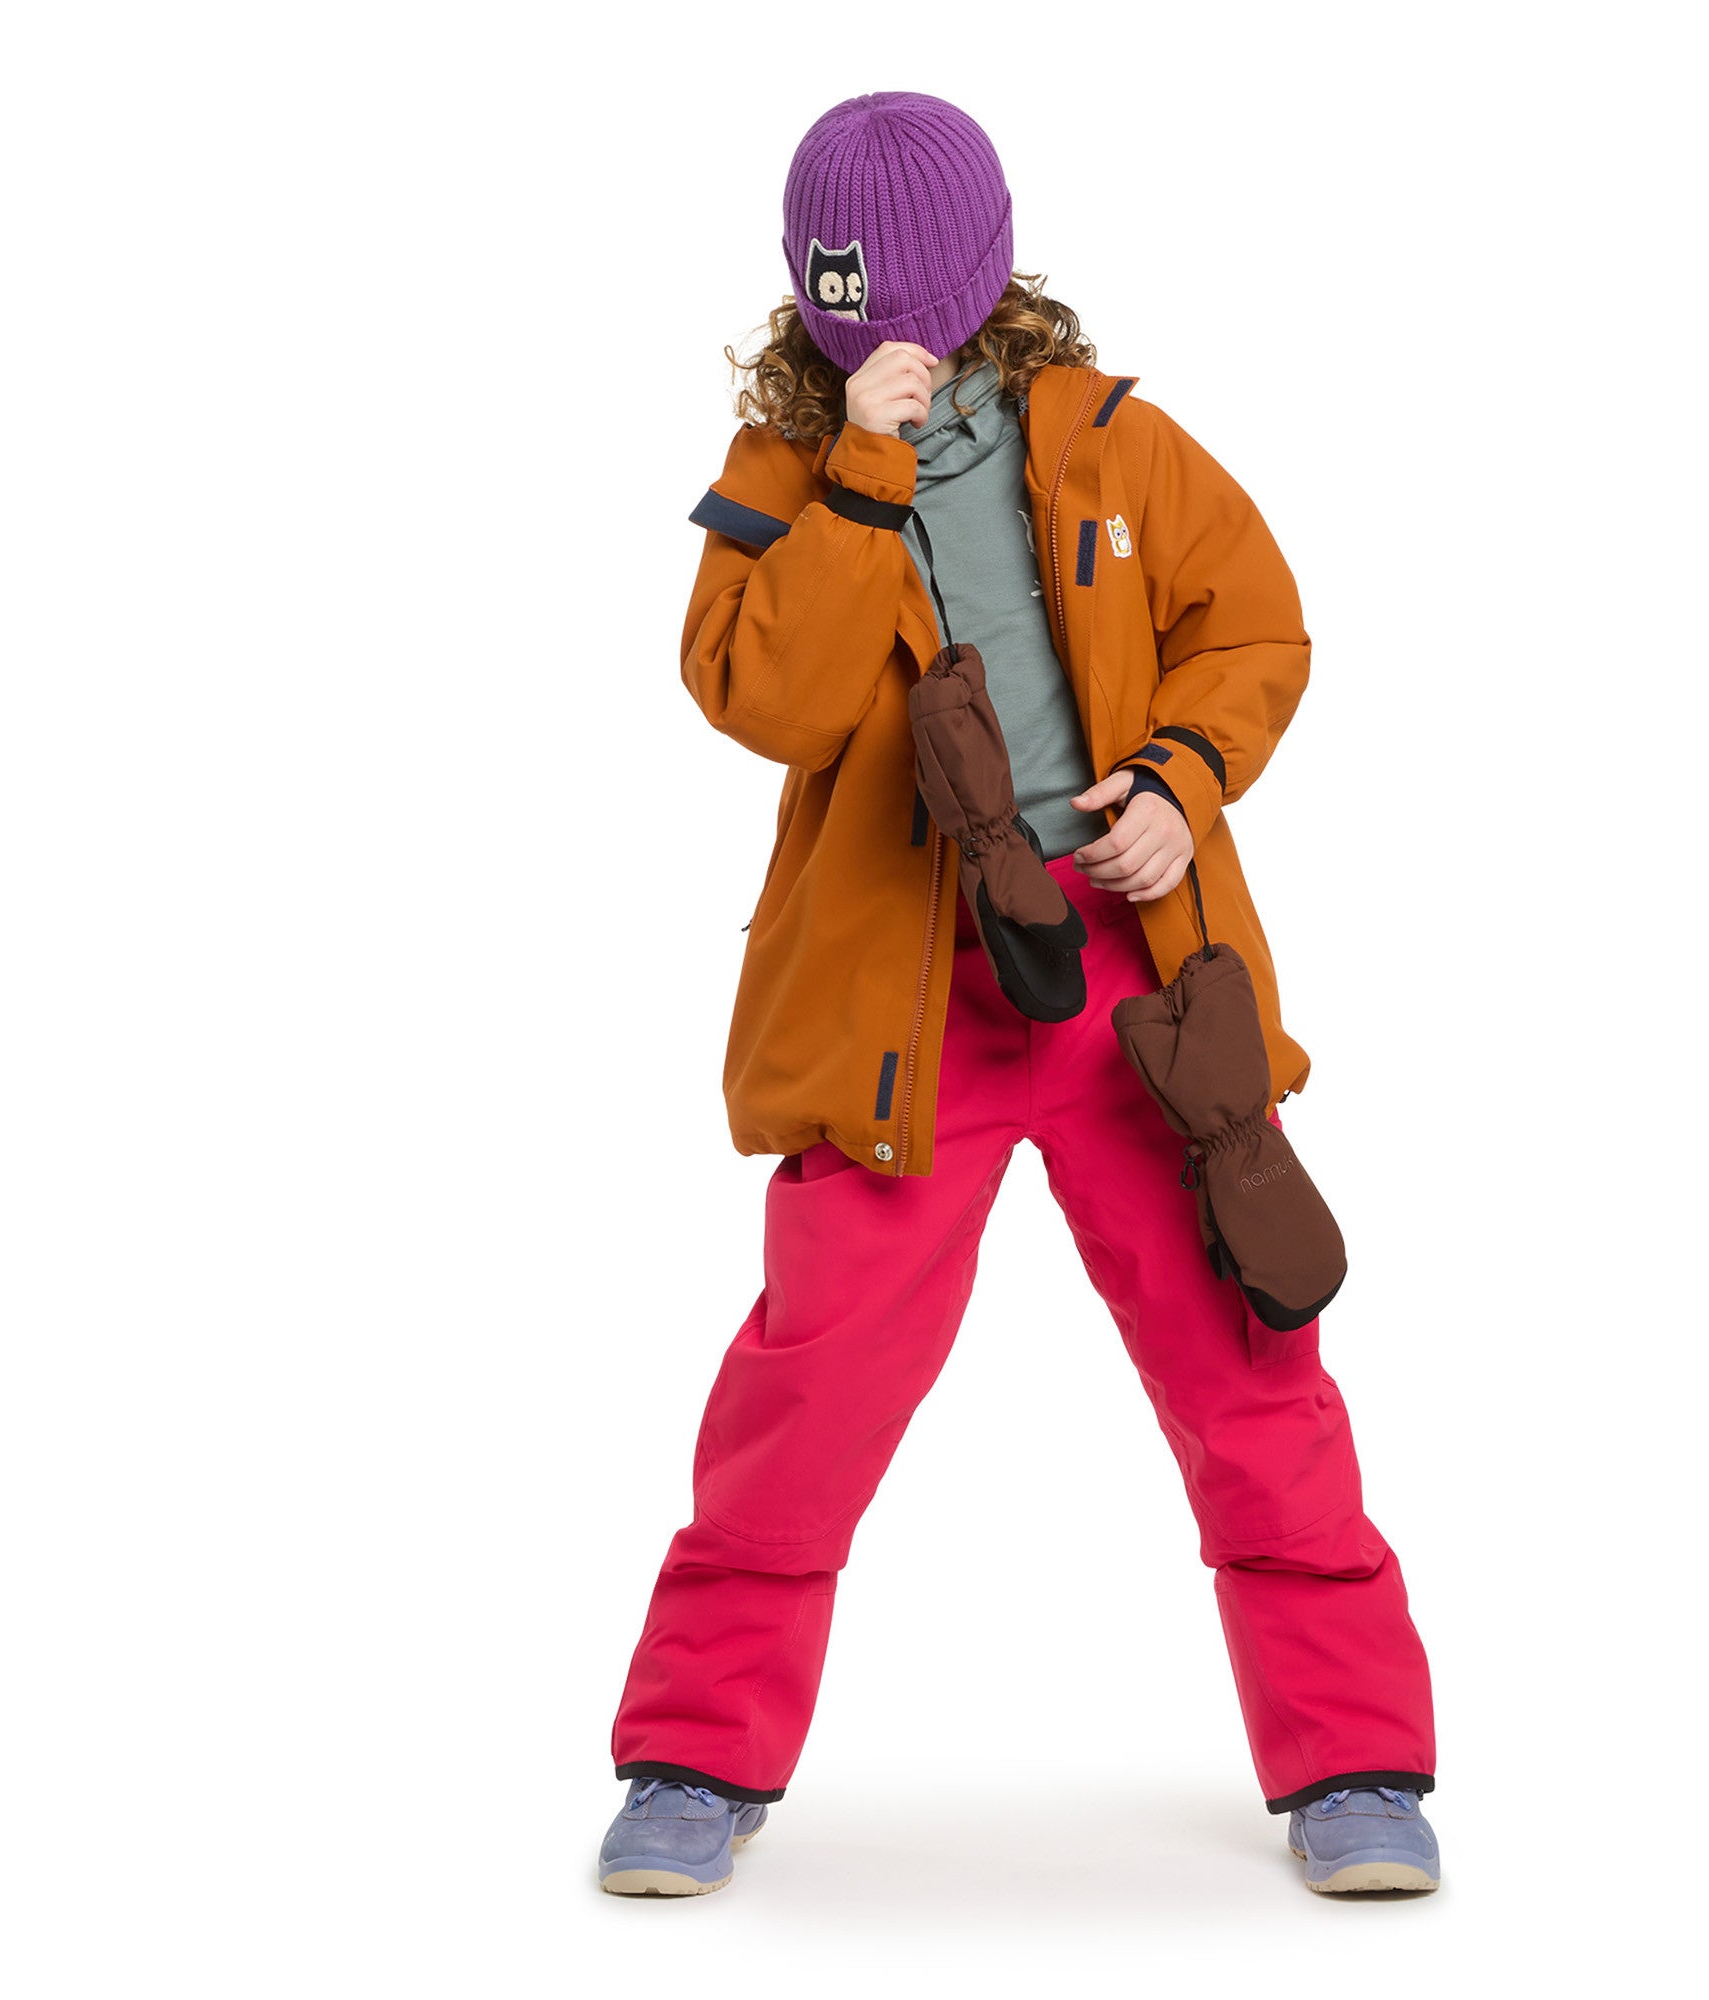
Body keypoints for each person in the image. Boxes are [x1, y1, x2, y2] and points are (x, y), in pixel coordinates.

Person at [599, 90, 1439, 1899]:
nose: (892, 342)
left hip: (1137, 985)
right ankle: (693, 1754)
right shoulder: (780, 479)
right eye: (855, 316)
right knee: (810, 1381)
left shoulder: (1115, 443)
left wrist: (1182, 781)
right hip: (909, 1000)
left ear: (985, 281)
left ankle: (1357, 1762)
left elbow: (1257, 625)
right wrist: (859, 477)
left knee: (1249, 1354)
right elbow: (770, 703)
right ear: (813, 307)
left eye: (915, 306)